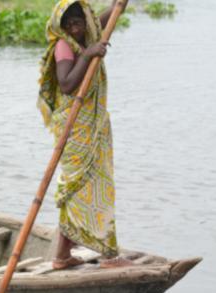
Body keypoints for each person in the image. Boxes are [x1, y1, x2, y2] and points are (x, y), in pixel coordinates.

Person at [37, 0, 131, 270]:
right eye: (67, 23)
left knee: (79, 189)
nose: (73, 26)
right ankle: (110, 257)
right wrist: (89, 55)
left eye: (78, 20)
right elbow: (66, 85)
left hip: (89, 125)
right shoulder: (64, 46)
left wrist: (117, 6)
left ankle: (62, 256)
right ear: (60, 26)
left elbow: (110, 15)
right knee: (86, 187)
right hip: (75, 127)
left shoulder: (85, 35)